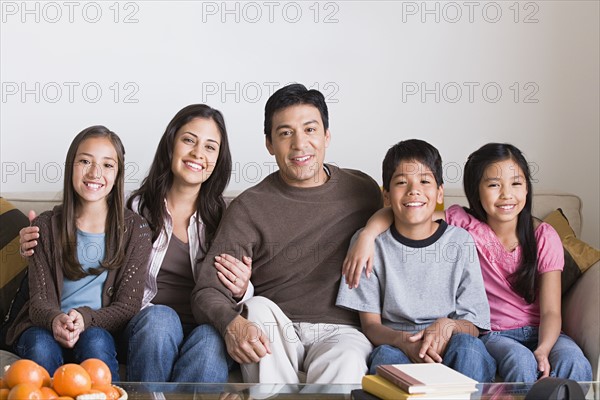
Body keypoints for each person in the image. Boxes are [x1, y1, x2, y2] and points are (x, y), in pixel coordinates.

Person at [18, 104, 253, 383]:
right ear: (171, 144)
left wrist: (242, 289)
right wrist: (31, 239)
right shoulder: (132, 207)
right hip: (146, 325)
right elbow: (82, 206)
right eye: (189, 140)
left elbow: (249, 284)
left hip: (203, 323)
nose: (197, 153)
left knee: (211, 343)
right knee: (160, 320)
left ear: (219, 157)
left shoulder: (229, 216)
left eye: (210, 147)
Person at [344, 142, 593, 382]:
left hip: (541, 331)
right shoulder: (465, 224)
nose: (507, 194)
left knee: (575, 362)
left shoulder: (543, 236)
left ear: (527, 188)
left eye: (516, 183)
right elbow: (413, 214)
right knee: (520, 361)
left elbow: (551, 311)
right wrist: (368, 234)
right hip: (495, 333)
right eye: (494, 184)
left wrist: (543, 348)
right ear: (476, 191)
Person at [191, 83, 383, 385]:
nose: (299, 144)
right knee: (255, 309)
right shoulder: (249, 207)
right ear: (269, 143)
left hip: (343, 331)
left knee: (346, 363)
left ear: (326, 136)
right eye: (285, 133)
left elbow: (410, 216)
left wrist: (370, 232)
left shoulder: (363, 190)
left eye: (310, 130)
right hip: (277, 327)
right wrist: (232, 324)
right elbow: (207, 290)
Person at [336, 139, 495, 382]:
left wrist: (448, 326)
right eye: (401, 182)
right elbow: (370, 326)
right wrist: (404, 342)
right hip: (397, 343)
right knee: (384, 360)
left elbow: (475, 325)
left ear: (440, 192)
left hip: (450, 339)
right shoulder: (368, 244)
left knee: (468, 349)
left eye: (424, 181)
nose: (413, 190)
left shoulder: (460, 242)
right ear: (386, 195)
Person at [7, 125, 152, 379]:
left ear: (118, 175)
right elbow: (39, 302)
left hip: (98, 327)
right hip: (44, 324)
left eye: (108, 165)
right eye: (85, 161)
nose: (95, 172)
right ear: (70, 166)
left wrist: (85, 319)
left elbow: (128, 306)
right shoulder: (45, 226)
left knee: (96, 344)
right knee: (41, 347)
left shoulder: (136, 230)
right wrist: (55, 320)